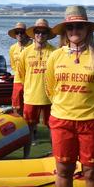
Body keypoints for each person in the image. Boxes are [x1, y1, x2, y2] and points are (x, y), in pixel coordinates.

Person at [45, 5, 94, 187]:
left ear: (87, 30)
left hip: (92, 122)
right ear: (65, 31)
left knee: (92, 171)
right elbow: (50, 89)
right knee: (63, 170)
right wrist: (65, 106)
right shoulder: (55, 56)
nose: (75, 31)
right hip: (61, 121)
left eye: (79, 27)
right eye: (70, 28)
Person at [15, 19, 56, 158]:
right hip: (31, 97)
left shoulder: (54, 52)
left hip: (50, 98)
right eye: (37, 32)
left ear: (48, 34)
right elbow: (21, 75)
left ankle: (56, 156)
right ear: (33, 34)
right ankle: (26, 157)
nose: (40, 35)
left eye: (44, 32)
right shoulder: (25, 53)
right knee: (29, 129)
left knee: (53, 128)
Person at [7, 22, 32, 117]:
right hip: (17, 80)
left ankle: (31, 127)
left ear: (26, 33)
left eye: (22, 32)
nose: (20, 34)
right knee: (16, 106)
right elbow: (13, 65)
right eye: (17, 32)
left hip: (30, 80)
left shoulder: (32, 47)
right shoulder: (12, 48)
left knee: (29, 106)